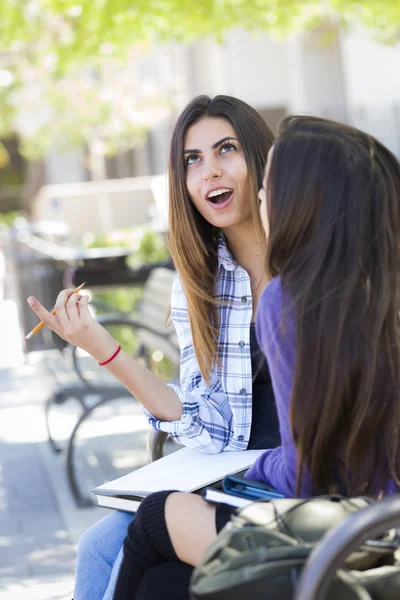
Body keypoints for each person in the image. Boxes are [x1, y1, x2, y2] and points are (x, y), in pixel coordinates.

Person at [111, 115, 400, 600]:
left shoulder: (292, 299)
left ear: (304, 201)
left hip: (351, 528)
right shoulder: (375, 285)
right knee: (158, 569)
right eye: (193, 160)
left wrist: (258, 468)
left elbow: (312, 473)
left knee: (156, 523)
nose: (212, 173)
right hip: (369, 515)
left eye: (270, 187)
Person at [27, 95, 279, 600]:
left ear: (261, 160)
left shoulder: (316, 265)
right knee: (99, 545)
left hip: (298, 483)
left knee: (154, 575)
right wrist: (101, 346)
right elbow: (208, 425)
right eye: (193, 160)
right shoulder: (200, 284)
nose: (209, 171)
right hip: (234, 477)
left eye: (225, 150)